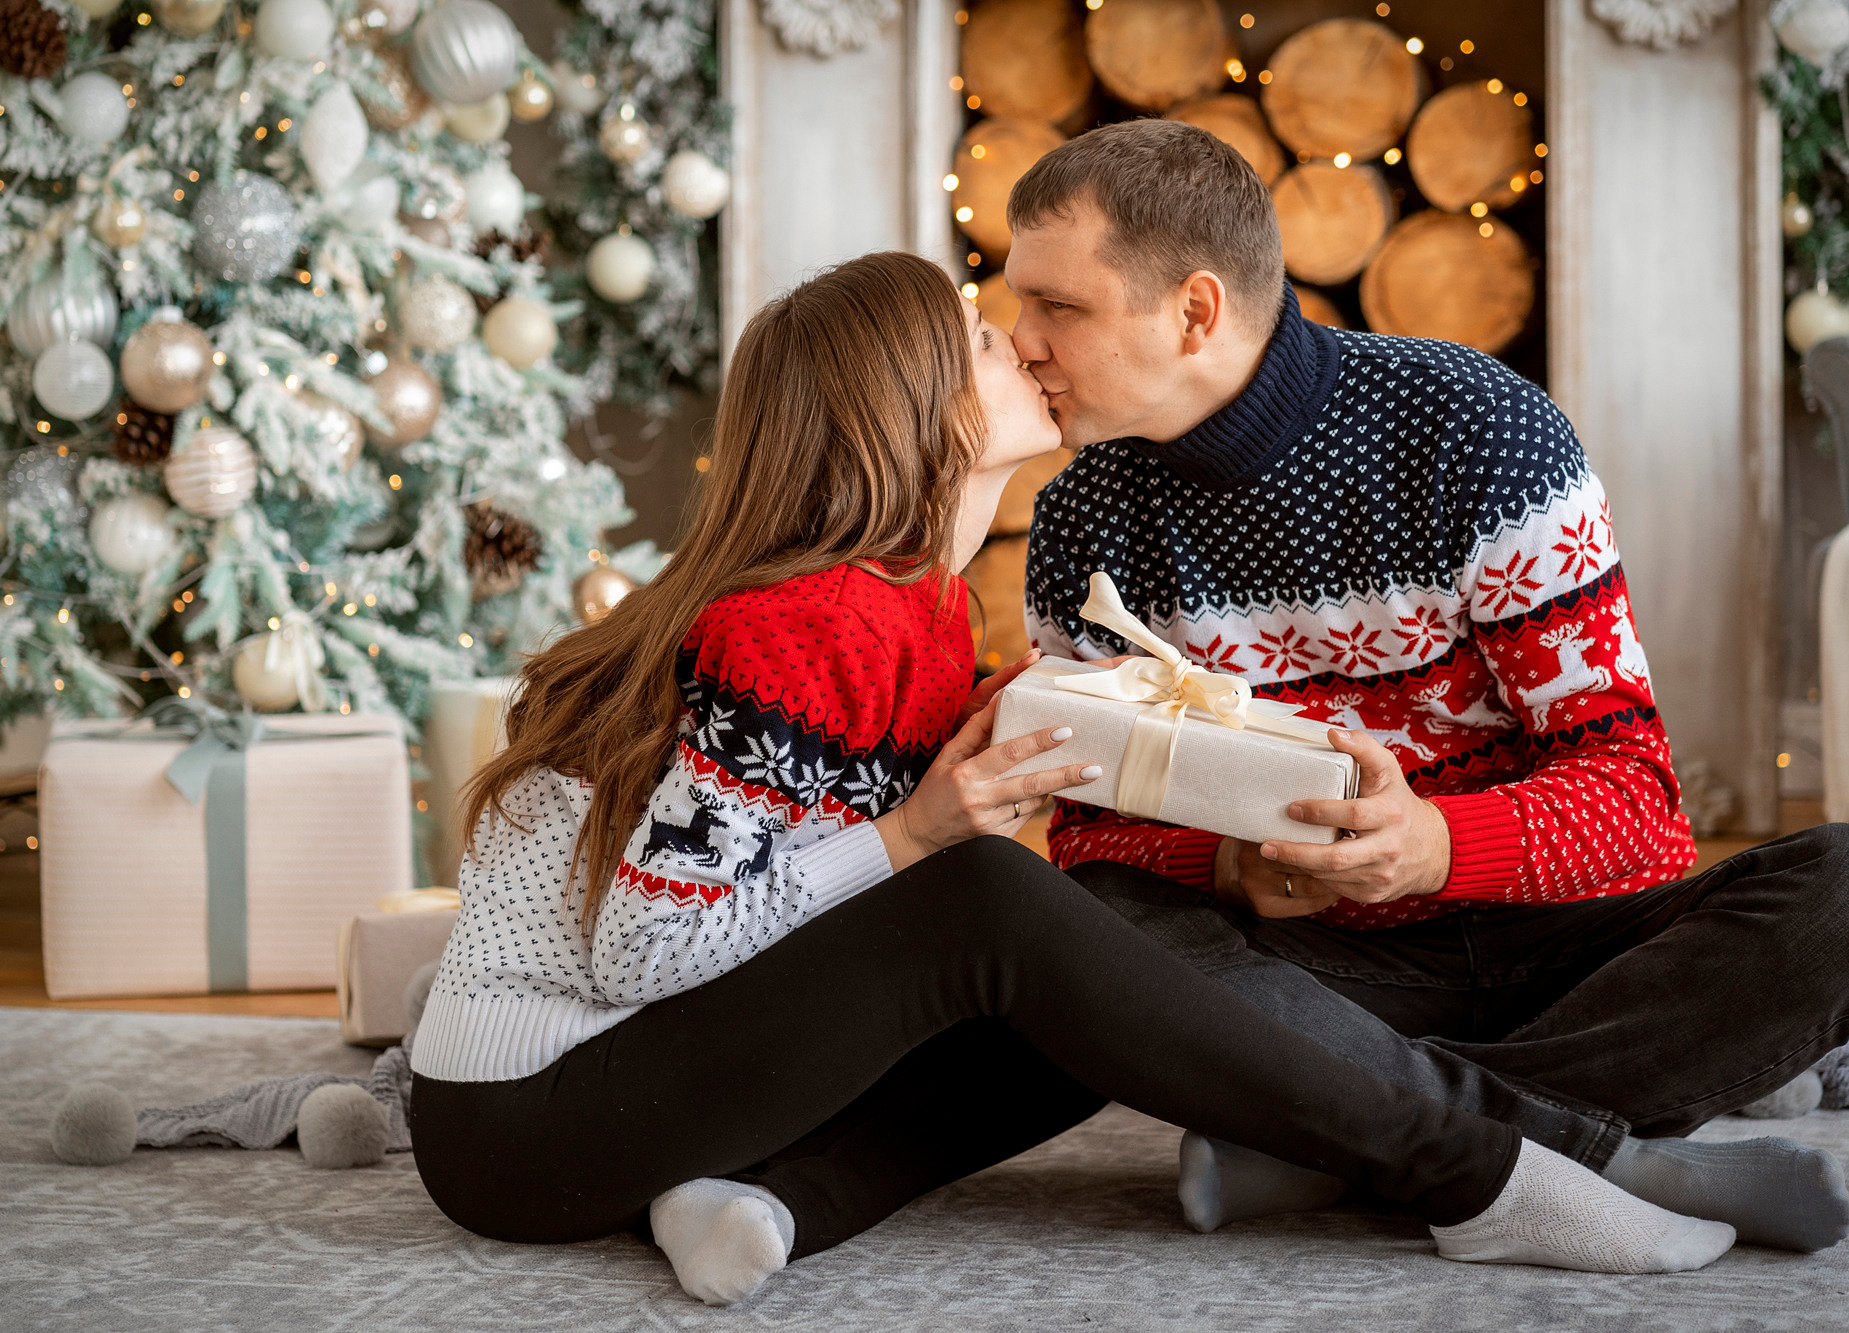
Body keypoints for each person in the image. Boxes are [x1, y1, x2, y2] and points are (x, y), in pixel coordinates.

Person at [407, 251, 1740, 1308]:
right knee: (994, 904)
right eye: (990, 340)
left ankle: (769, 1201)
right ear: (916, 408)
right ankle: (1477, 1172)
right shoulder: (807, 619)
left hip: (649, 1085)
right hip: (526, 1116)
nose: (1028, 346)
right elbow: (653, 942)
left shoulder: (915, 610)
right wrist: (919, 837)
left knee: (1070, 1000)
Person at [1005, 119, 1849, 1252]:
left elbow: (1638, 812)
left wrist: (1432, 844)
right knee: (1086, 926)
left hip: (1564, 954)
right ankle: (1580, 1155)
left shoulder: (1471, 431)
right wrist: (1235, 866)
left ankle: (1340, 1137)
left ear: (1194, 311)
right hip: (1321, 973)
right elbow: (1094, 841)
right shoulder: (1080, 518)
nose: (1020, 342)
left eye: (1058, 307)